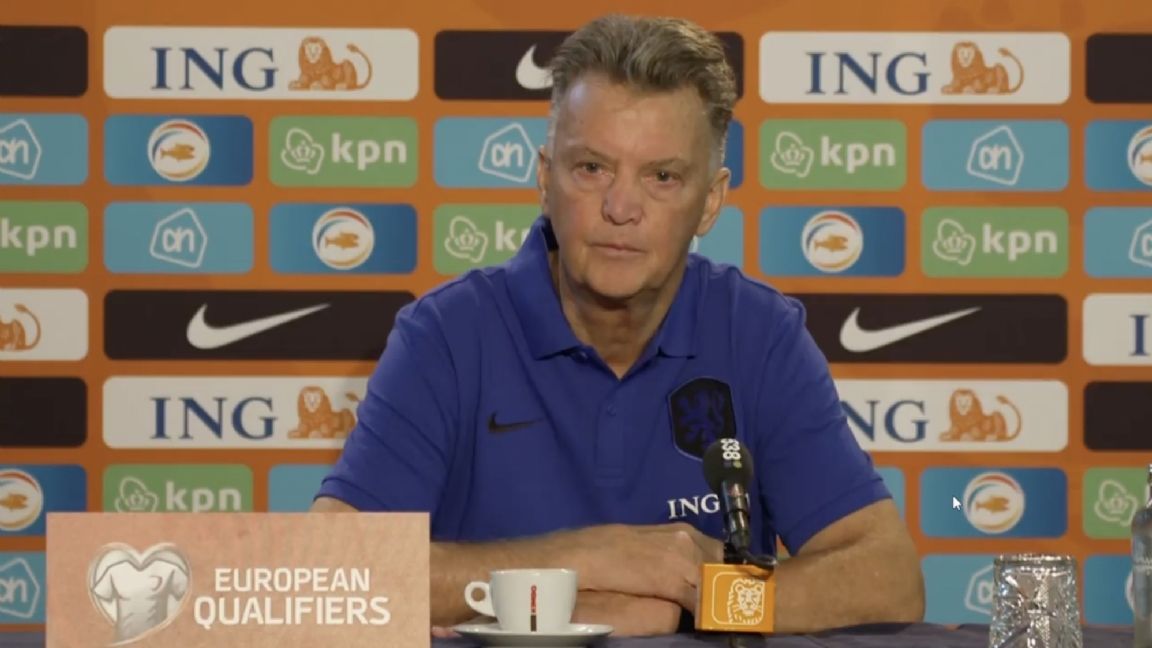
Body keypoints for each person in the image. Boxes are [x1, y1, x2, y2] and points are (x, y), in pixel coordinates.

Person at [311, 13, 925, 636]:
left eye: (662, 177)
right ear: (545, 178)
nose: (621, 208)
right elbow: (327, 578)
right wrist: (581, 564)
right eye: (591, 168)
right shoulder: (445, 335)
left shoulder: (759, 334)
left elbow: (888, 579)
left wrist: (699, 600)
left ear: (711, 201)